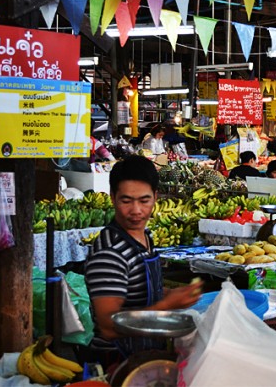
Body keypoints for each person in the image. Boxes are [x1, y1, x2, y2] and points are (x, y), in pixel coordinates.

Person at [84, 156, 203, 365]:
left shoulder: (144, 236)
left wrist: (171, 294)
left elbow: (137, 291)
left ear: (156, 197)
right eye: (126, 201)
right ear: (112, 197)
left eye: (144, 200)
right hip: (116, 363)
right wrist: (167, 304)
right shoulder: (110, 252)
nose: (136, 211)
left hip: (146, 356)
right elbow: (108, 326)